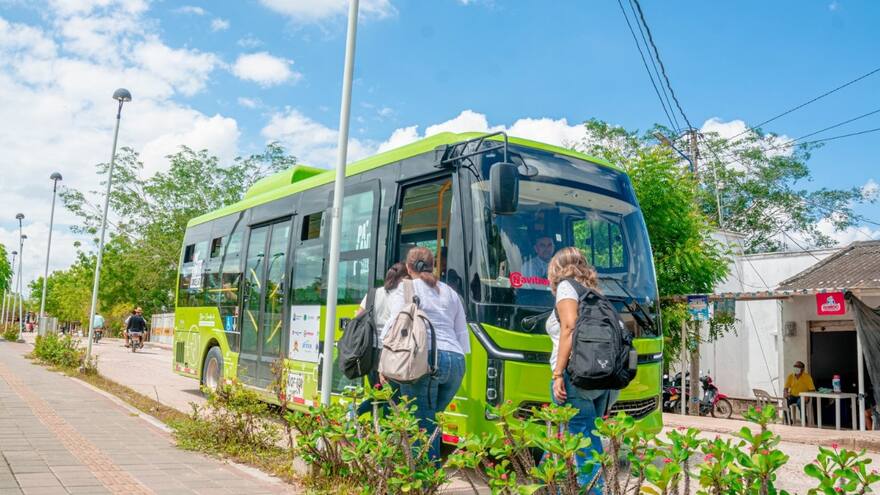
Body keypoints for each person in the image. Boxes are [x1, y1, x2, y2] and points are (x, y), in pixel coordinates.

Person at [380, 247, 469, 460]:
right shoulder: (450, 292)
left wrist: (383, 362)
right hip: (456, 362)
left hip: (426, 359)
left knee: (421, 426)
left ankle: (425, 478)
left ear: (409, 267)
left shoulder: (406, 288)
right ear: (433, 265)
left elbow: (393, 327)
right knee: (429, 419)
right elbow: (462, 335)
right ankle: (420, 470)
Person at [547, 247, 610, 491]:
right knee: (572, 437)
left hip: (574, 375)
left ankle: (594, 490)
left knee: (582, 444)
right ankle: (550, 486)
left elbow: (569, 328)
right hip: (598, 376)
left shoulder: (566, 287)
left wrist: (557, 374)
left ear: (557, 268)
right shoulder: (593, 292)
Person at [354, 262, 409, 416]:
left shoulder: (373, 293)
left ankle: (375, 430)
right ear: (404, 278)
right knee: (392, 396)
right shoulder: (401, 296)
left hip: (370, 352)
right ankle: (356, 412)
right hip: (390, 352)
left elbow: (357, 316)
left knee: (378, 391)